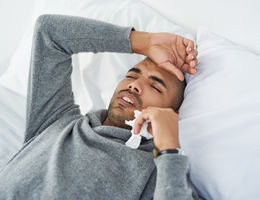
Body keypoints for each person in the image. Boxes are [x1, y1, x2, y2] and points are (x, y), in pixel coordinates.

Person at [0, 14, 201, 200]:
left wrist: (168, 149)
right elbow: (49, 33)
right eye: (131, 75)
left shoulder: (157, 172)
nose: (134, 85)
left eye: (155, 86)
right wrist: (144, 42)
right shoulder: (56, 119)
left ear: (171, 114)